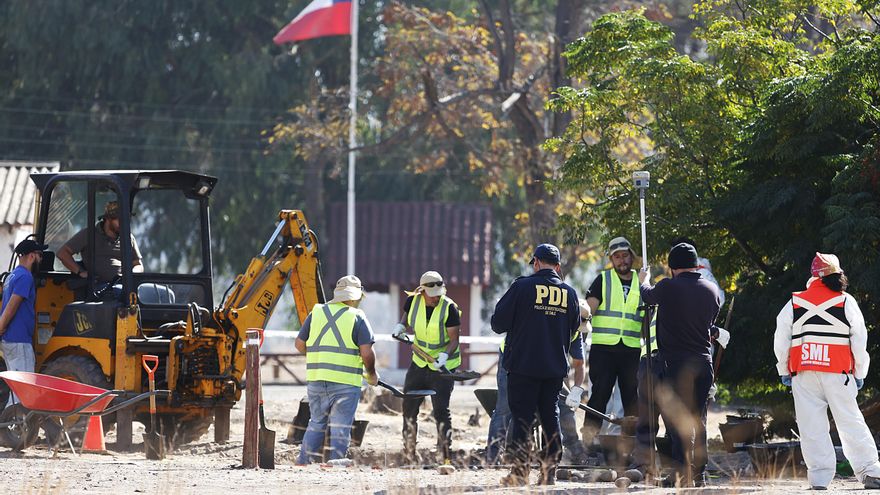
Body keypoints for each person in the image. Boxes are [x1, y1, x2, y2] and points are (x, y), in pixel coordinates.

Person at [774, 253, 880, 490]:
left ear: (813, 276)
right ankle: (871, 472)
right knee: (851, 422)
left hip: (804, 372)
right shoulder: (846, 301)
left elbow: (781, 339)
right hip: (839, 372)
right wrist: (860, 372)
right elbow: (859, 340)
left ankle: (819, 479)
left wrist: (783, 368)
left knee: (811, 427)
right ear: (838, 274)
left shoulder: (795, 302)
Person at [491, 244, 581, 486]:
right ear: (558, 267)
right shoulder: (570, 293)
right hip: (554, 368)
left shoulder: (521, 287)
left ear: (537, 263)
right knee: (551, 417)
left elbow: (498, 323)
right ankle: (549, 473)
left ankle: (519, 473)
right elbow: (574, 328)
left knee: (522, 419)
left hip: (523, 366)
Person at [638, 242, 721, 487]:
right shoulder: (712, 290)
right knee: (699, 420)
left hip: (676, 364)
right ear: (696, 265)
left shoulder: (668, 286)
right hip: (704, 363)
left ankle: (682, 474)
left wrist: (644, 280)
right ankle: (699, 474)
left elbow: (647, 296)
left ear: (672, 267)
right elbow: (710, 324)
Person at [485, 299, 589, 465]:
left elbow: (579, 363)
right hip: (513, 361)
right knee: (505, 408)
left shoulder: (574, 331)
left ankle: (575, 450)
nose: (580, 333)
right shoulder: (547, 322)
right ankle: (494, 455)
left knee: (563, 408)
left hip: (547, 366)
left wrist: (576, 390)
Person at [294, 275, 378, 463]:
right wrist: (372, 374)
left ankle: (303, 462)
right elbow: (367, 353)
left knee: (316, 423)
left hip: (316, 381)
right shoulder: (357, 316)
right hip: (345, 383)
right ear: (356, 296)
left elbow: (299, 345)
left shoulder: (316, 312)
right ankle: (336, 464)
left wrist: (320, 357)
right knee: (340, 428)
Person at [391, 270, 461, 463]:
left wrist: (444, 356)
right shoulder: (412, 302)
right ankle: (409, 455)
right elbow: (406, 319)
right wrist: (400, 327)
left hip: (443, 366)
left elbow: (454, 340)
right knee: (409, 407)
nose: (436, 298)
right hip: (420, 362)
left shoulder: (449, 308)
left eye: (439, 294)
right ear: (422, 291)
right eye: (432, 295)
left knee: (441, 411)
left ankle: (445, 457)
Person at [582, 237, 644, 444]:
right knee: (599, 396)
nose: (621, 260)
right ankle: (589, 442)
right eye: (617, 257)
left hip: (631, 349)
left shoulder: (642, 281)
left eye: (625, 255)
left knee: (632, 399)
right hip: (604, 349)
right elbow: (588, 309)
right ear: (611, 259)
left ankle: (631, 443)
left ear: (631, 256)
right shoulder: (603, 279)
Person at [0, 239, 45, 406]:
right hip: (18, 339)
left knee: (17, 388)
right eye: (40, 256)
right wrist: (0, 327)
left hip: (11, 339)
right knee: (23, 389)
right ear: (32, 256)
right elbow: (12, 305)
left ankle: (11, 420)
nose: (41, 259)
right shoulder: (25, 277)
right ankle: (13, 421)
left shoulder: (12, 276)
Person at [57, 201, 143, 285]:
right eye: (120, 220)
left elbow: (138, 265)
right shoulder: (89, 234)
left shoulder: (128, 238)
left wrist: (132, 275)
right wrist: (80, 272)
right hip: (98, 287)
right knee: (118, 291)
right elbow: (63, 253)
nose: (124, 223)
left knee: (148, 289)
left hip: (125, 286)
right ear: (108, 219)